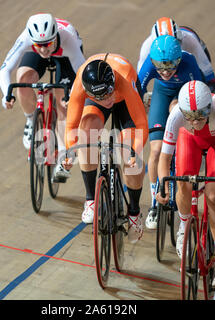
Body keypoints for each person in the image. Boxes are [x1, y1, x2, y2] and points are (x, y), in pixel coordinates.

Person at [155, 80, 215, 284]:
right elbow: (164, 159)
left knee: (213, 197)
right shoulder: (176, 115)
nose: (194, 121)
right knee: (182, 180)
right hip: (189, 141)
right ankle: (184, 226)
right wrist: (164, 185)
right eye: (189, 117)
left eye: (200, 116)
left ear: (209, 109)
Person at [61, 53, 148, 243]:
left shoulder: (123, 78)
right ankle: (91, 199)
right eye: (101, 96)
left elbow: (141, 125)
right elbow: (71, 127)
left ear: (112, 85)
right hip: (97, 98)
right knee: (86, 132)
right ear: (88, 91)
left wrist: (135, 152)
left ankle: (134, 212)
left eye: (108, 93)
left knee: (129, 157)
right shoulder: (80, 84)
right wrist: (71, 150)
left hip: (126, 100)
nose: (107, 99)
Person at [0, 13, 85, 181]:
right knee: (23, 81)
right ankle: (31, 121)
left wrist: (72, 94)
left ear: (55, 37)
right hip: (38, 55)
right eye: (39, 45)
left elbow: (81, 72)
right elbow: (5, 69)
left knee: (63, 104)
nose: (44, 49)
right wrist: (5, 94)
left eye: (48, 44)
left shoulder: (67, 38)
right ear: (32, 40)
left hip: (66, 57)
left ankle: (62, 158)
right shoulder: (26, 38)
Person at [137, 35, 205, 230]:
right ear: (152, 62)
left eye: (170, 66)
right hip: (161, 92)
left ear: (179, 61)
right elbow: (137, 91)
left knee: (176, 107)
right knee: (156, 149)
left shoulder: (189, 61)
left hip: (183, 93)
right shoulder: (150, 64)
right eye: (160, 67)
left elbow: (198, 93)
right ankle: (154, 203)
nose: (165, 71)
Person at [137, 17, 215, 93]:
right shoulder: (147, 47)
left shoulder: (190, 41)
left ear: (180, 39)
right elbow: (141, 75)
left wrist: (210, 84)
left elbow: (206, 68)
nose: (170, 49)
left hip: (192, 55)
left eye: (175, 44)